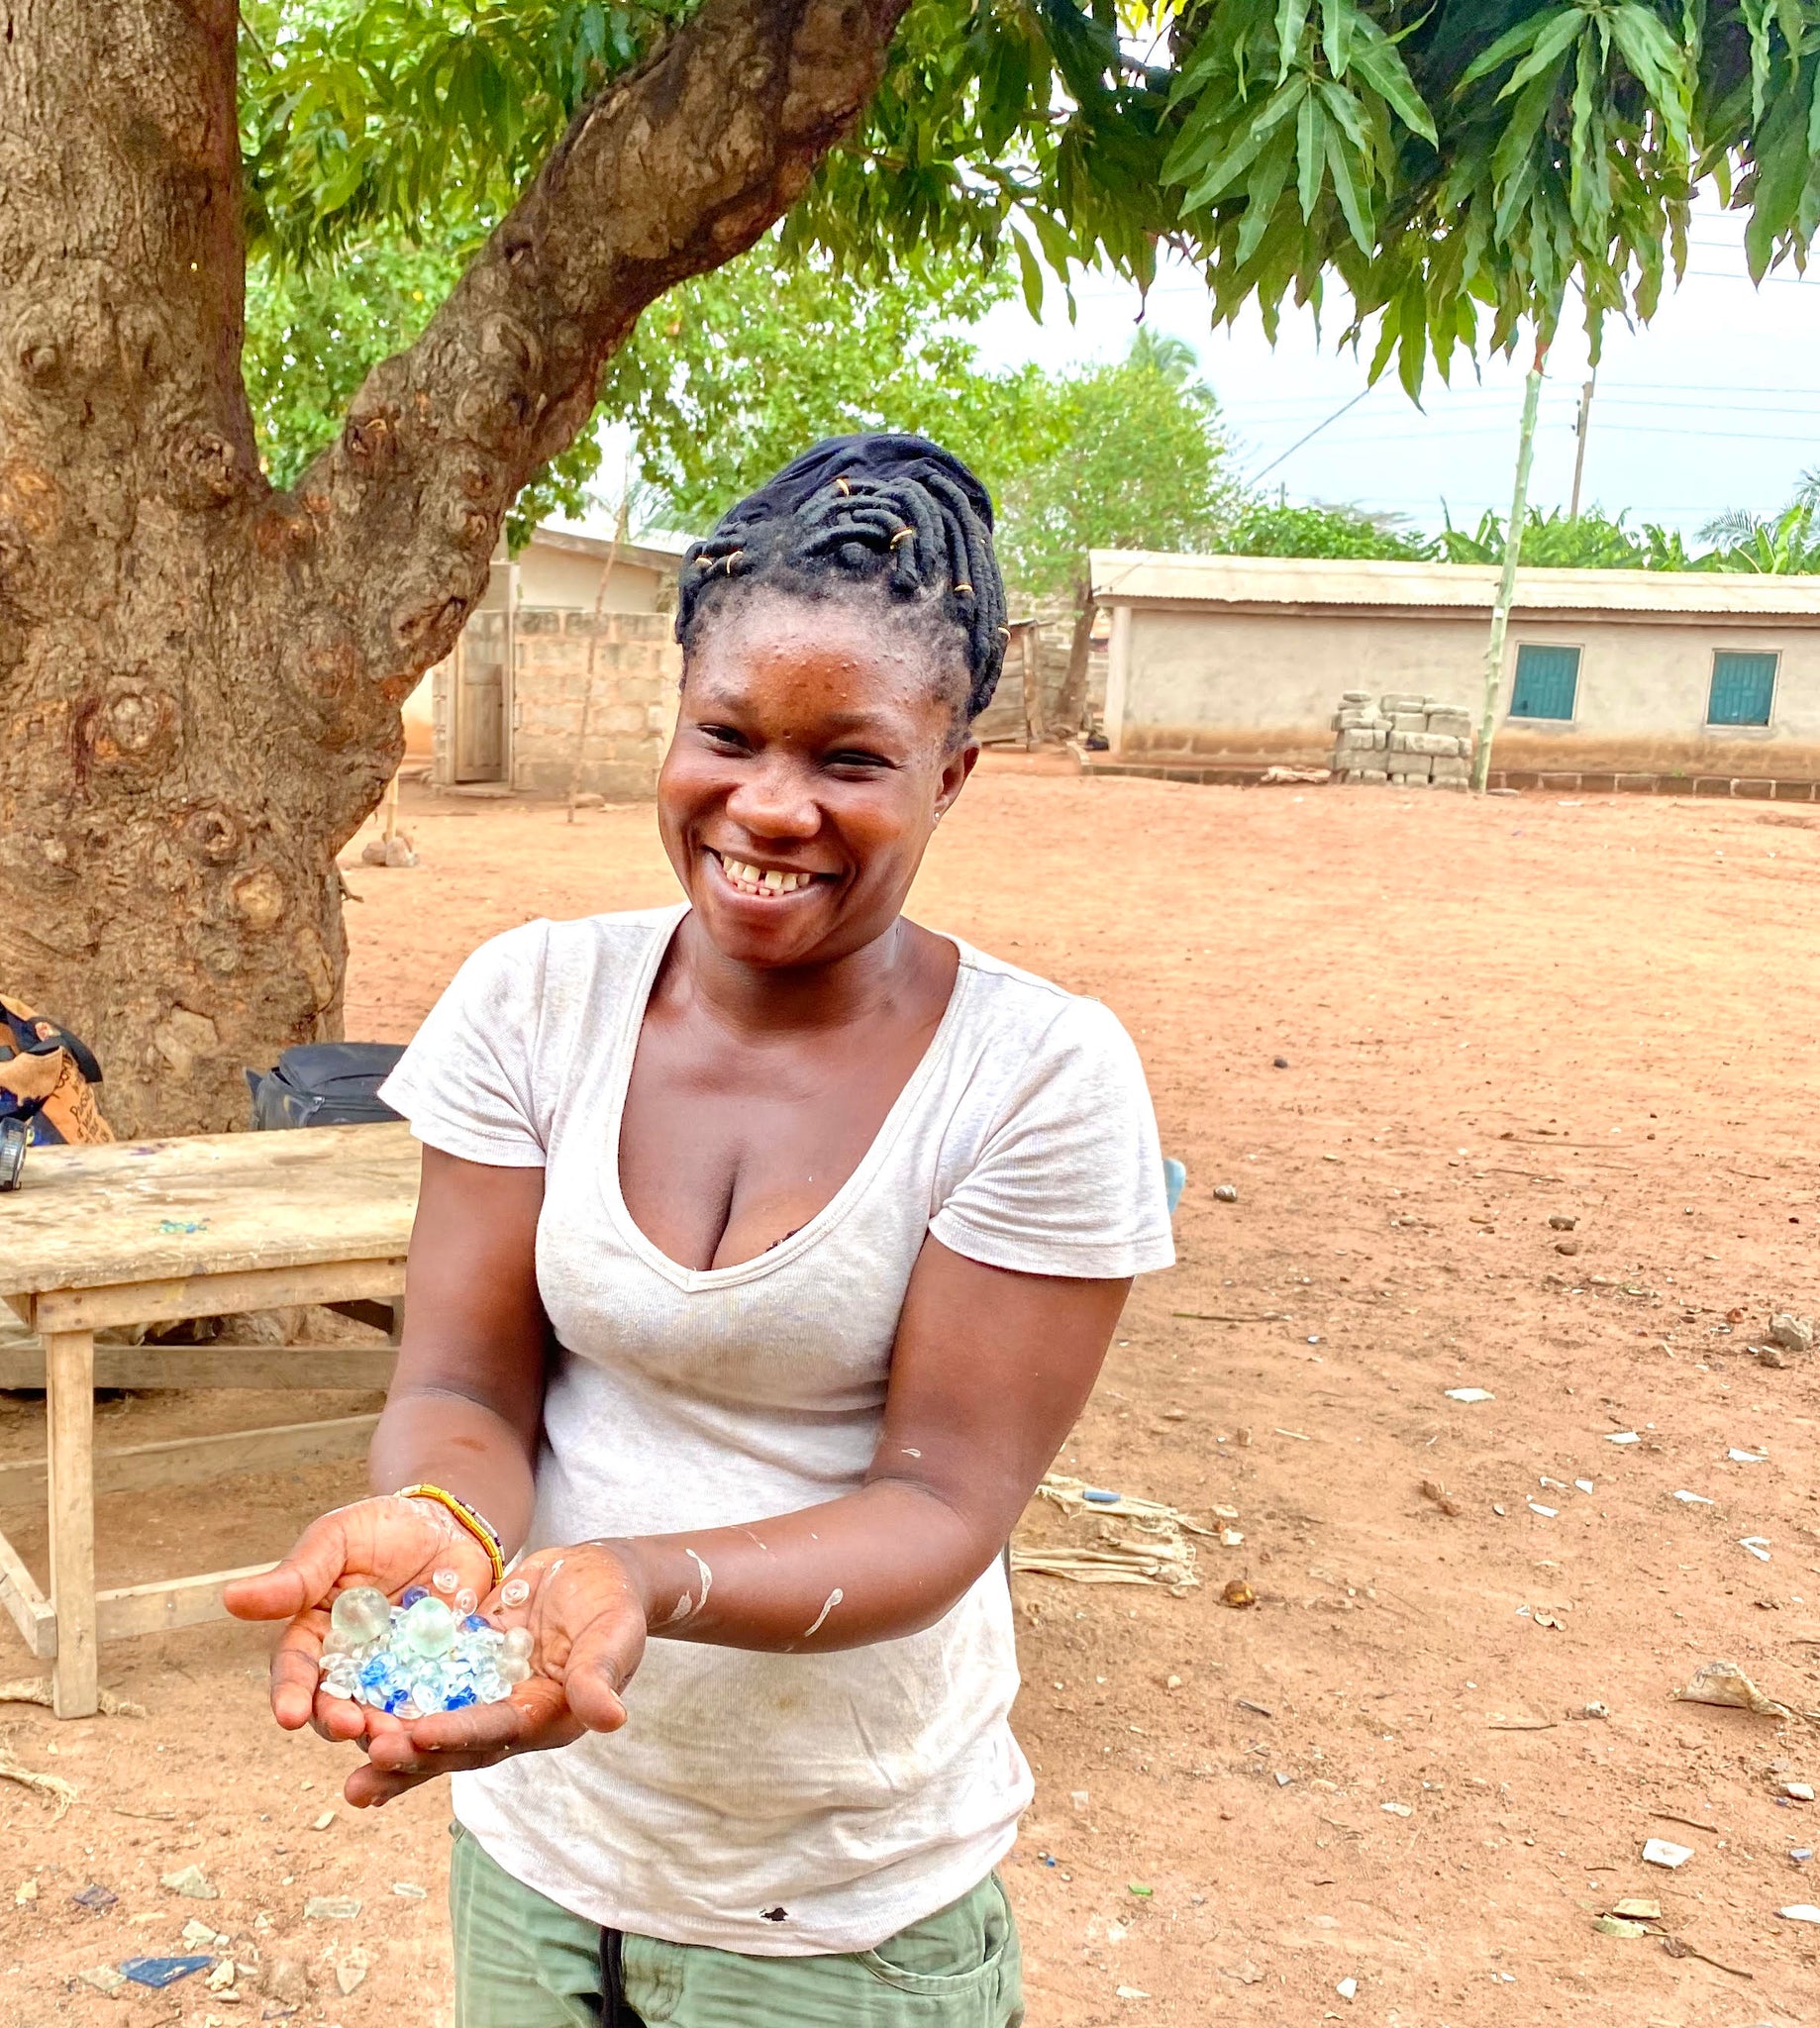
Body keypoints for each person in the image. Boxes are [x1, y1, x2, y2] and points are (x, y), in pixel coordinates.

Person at [227, 433, 1174, 2027]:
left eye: (849, 760)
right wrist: (446, 1530)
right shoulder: (536, 999)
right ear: (672, 726)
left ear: (950, 774)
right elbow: (466, 1386)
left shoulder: (1037, 1078)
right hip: (542, 1847)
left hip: (835, 1901)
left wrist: (639, 1578)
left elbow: (941, 1507)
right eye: (725, 735)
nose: (770, 806)